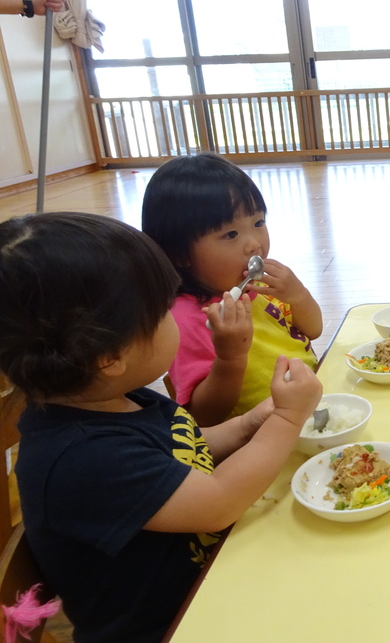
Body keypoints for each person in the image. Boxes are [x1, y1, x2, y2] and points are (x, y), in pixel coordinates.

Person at [0, 212, 322, 643]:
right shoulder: (82, 458)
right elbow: (218, 500)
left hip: (216, 581)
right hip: (175, 625)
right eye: (162, 312)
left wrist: (250, 424)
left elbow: (185, 448)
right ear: (109, 358)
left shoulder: (113, 398)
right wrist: (286, 419)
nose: (175, 317)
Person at [142, 153, 322, 426]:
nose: (254, 244)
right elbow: (204, 416)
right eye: (231, 234)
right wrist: (230, 357)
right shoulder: (188, 320)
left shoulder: (262, 286)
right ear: (179, 253)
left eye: (258, 223)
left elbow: (314, 330)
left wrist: (297, 295)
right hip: (260, 437)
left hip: (313, 405)